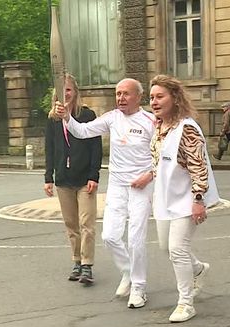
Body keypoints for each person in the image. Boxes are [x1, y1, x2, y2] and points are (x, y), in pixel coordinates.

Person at [55, 78, 155, 309]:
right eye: (118, 93)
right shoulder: (112, 118)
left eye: (125, 94)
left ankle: (139, 287)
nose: (120, 98)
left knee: (136, 239)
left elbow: (163, 154)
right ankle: (128, 272)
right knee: (109, 236)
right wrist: (67, 117)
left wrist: (149, 175)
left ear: (138, 96)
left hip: (141, 186)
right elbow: (82, 131)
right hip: (118, 186)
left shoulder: (150, 121)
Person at [148, 74, 220, 323]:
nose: (154, 102)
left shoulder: (186, 128)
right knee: (165, 247)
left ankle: (185, 303)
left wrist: (199, 199)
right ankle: (199, 269)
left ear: (175, 98)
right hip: (165, 198)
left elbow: (198, 165)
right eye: (152, 97)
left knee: (178, 249)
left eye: (160, 96)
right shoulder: (158, 126)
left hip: (187, 198)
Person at [44, 74, 102, 286]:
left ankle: (87, 264)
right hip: (63, 179)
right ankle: (76, 261)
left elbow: (96, 147)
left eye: (69, 90)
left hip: (84, 178)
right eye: (61, 90)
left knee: (87, 222)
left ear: (75, 92)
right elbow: (50, 149)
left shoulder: (87, 115)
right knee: (71, 224)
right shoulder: (52, 120)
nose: (65, 94)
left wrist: (93, 175)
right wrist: (48, 177)